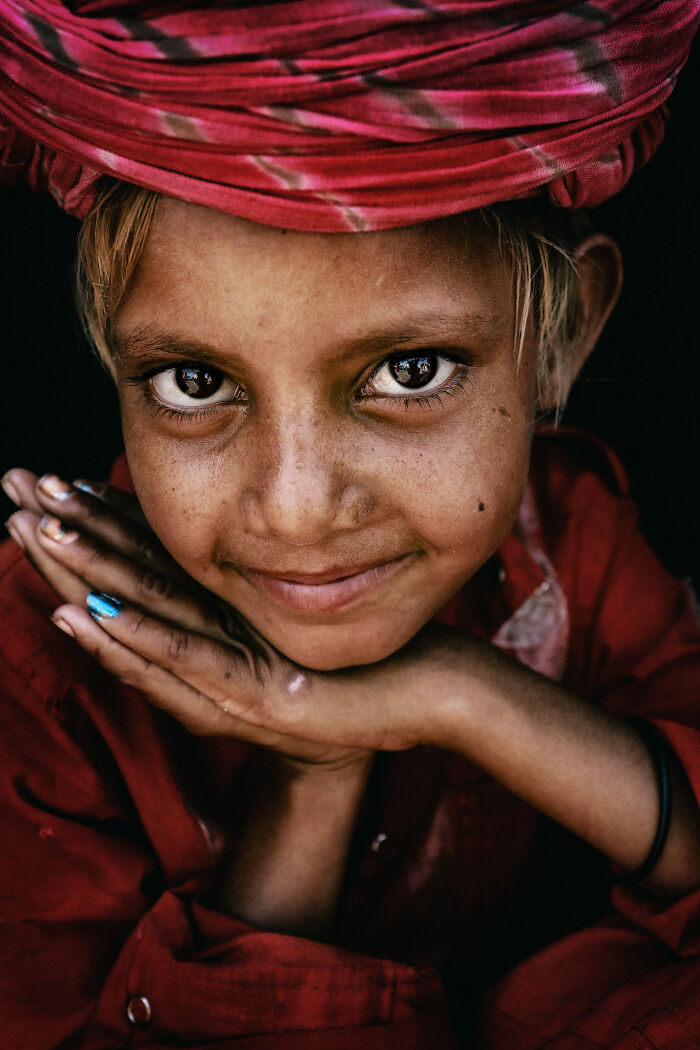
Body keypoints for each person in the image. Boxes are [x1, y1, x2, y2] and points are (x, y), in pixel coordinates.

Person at [1, 3, 699, 1048]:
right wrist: (313, 766)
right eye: (195, 382)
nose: (293, 510)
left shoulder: (570, 545)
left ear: (565, 335)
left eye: (406, 372)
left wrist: (459, 696)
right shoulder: (49, 667)